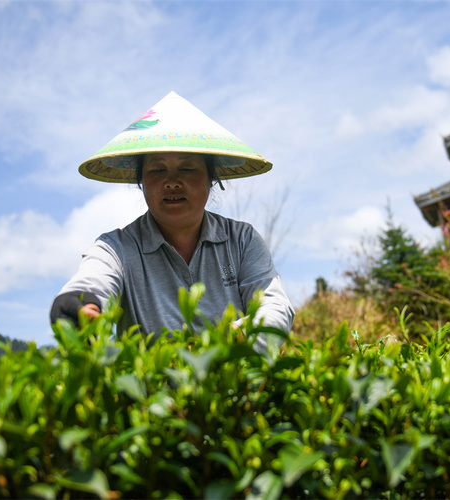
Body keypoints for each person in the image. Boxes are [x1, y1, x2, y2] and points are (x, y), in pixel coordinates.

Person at [50, 91, 294, 351]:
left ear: (211, 179)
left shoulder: (241, 240)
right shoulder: (117, 248)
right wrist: (78, 306)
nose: (172, 182)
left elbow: (275, 308)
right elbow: (92, 281)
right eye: (157, 170)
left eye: (187, 168)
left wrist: (229, 338)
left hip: (234, 388)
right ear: (141, 182)